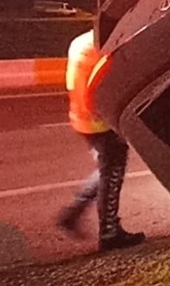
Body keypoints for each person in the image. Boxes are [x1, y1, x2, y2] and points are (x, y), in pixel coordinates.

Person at [56, 29, 145, 251]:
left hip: (81, 120)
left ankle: (73, 213)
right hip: (102, 123)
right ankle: (109, 232)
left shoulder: (81, 41)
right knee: (112, 174)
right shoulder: (108, 49)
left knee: (106, 170)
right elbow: (116, 86)